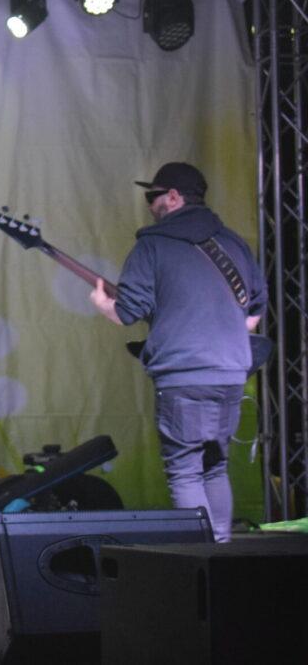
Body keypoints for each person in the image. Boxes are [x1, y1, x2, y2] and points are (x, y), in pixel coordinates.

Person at [89, 162, 266, 542]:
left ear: (173, 197)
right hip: (231, 373)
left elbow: (127, 312)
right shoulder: (234, 243)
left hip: (184, 376)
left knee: (184, 471)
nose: (149, 204)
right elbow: (254, 314)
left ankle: (202, 556)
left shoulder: (152, 245)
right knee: (214, 468)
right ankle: (220, 552)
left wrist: (102, 304)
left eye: (152, 196)